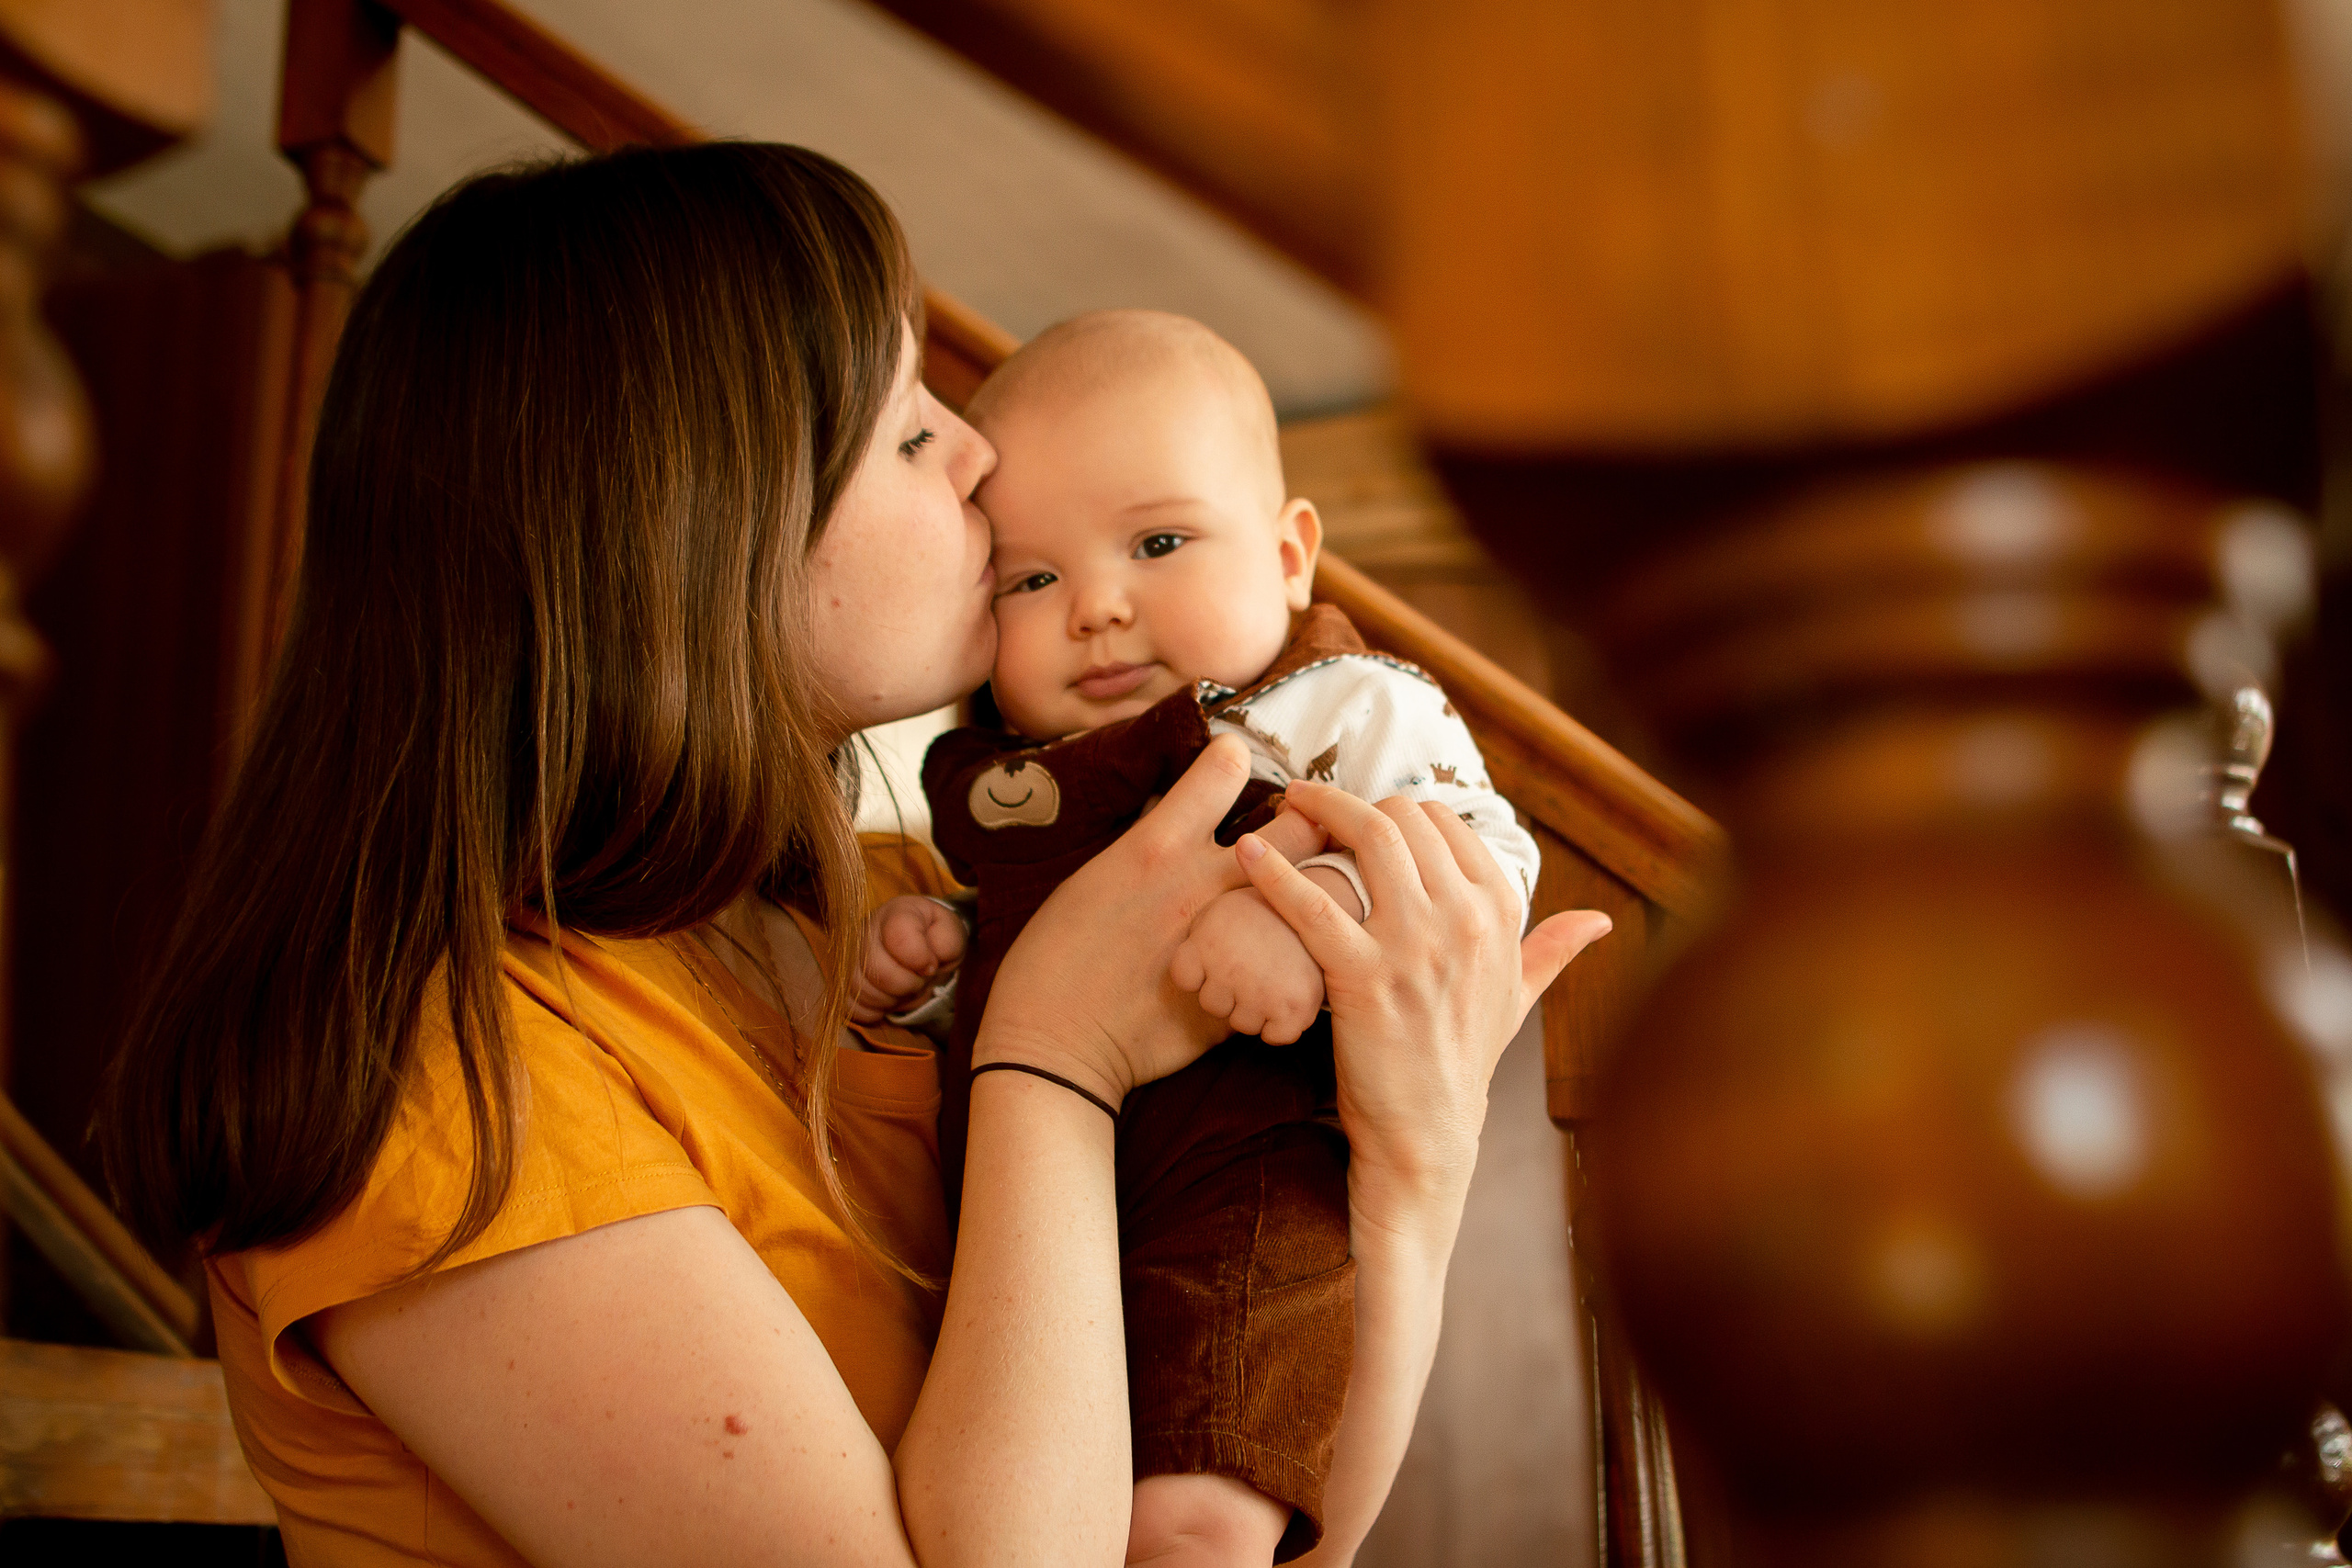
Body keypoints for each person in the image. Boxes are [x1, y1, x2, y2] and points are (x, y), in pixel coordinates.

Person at [97, 143, 1609, 1568]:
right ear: (693, 530)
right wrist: (1053, 1061)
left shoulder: (909, 918)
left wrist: (1416, 1164)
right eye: (905, 426)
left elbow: (1274, 1526)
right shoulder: (449, 1083)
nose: (975, 451)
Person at [855, 310, 1542, 1566]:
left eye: (1160, 543)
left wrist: (1324, 902)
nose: (1100, 610)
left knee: (1197, 1513)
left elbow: (1485, 867)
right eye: (1032, 579)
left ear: (1290, 556)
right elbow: (1057, 951)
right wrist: (944, 955)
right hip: (1031, 1206)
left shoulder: (1342, 705)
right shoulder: (1009, 772)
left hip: (1249, 1175)